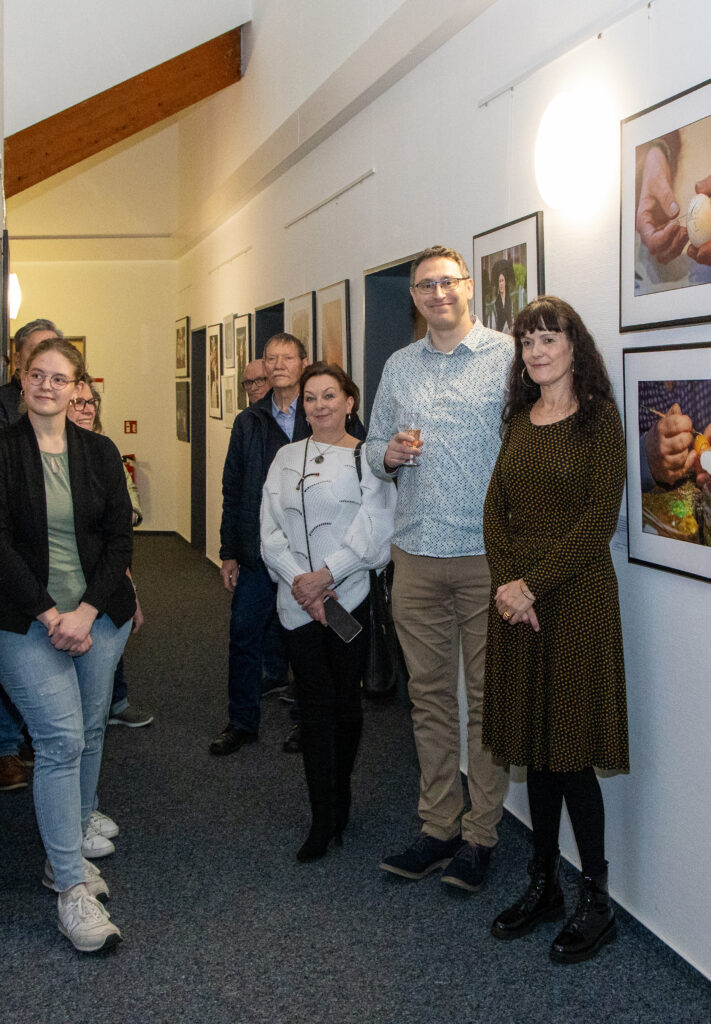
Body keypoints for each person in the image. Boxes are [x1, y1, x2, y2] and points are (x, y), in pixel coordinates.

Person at [482, 296, 628, 965]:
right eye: (526, 342)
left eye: (548, 339)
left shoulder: (599, 420)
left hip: (576, 600)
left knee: (569, 755)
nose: (536, 352)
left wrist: (530, 586)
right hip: (520, 603)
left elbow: (598, 521)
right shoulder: (518, 419)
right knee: (534, 750)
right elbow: (495, 511)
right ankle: (543, 883)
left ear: (575, 346)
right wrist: (507, 586)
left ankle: (596, 902)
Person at [367, 244, 511, 891]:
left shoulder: (507, 358)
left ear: (468, 287)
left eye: (447, 282)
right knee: (427, 701)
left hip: (486, 557)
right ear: (414, 298)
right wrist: (388, 455)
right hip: (416, 555)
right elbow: (372, 447)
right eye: (425, 285)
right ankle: (438, 826)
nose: (437, 293)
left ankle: (480, 836)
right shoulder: (399, 366)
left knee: (485, 703)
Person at [0, 337, 135, 951]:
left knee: (91, 729)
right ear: (21, 378)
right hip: (24, 619)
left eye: (61, 378)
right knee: (60, 739)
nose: (48, 386)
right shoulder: (3, 450)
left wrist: (85, 612)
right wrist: (51, 613)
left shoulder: (99, 452)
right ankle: (71, 891)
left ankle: (67, 854)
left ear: (80, 386)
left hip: (98, 616)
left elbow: (120, 539)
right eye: (38, 375)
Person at [261, 362, 396, 860]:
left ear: (349, 402)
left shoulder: (368, 459)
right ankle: (323, 817)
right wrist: (302, 583)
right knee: (314, 708)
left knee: (346, 705)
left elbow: (376, 534)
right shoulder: (284, 457)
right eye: (311, 397)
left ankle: (342, 796)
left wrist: (326, 577)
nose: (319, 406)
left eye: (329, 396)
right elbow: (269, 531)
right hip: (297, 606)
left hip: (348, 603)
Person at [210, 333, 366, 758]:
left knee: (309, 639)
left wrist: (327, 569)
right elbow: (233, 487)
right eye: (270, 358)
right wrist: (228, 550)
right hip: (260, 553)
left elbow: (363, 489)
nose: (277, 365)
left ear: (303, 362)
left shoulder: (325, 415)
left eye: (286, 357)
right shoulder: (249, 421)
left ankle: (304, 719)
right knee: (244, 636)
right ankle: (242, 722)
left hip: (320, 563)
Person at [66, 376, 154, 730]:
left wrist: (132, 593)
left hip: (104, 579)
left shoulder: (105, 452)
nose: (86, 409)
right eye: (77, 403)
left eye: (91, 402)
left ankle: (114, 703)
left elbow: (127, 517)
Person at [0, 319, 63, 791]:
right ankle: (5, 747)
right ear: (18, 362)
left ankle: (28, 738)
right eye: (35, 358)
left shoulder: (70, 419)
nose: (45, 377)